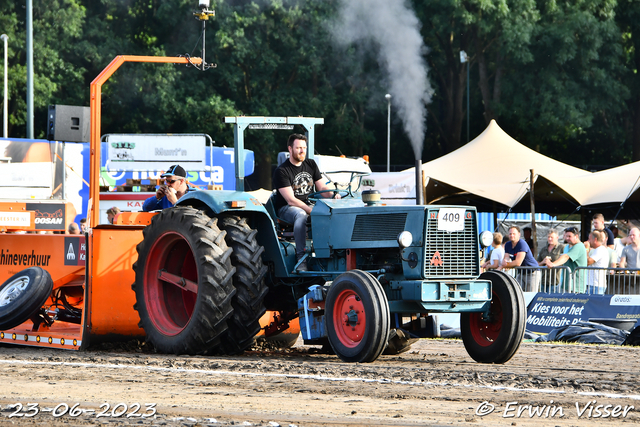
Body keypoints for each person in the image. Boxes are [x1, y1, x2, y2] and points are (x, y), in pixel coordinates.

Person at [272, 134, 340, 271]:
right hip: (287, 208)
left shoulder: (310, 164)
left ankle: (332, 254)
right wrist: (314, 211)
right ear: (290, 149)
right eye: (298, 148)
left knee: (334, 213)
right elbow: (291, 200)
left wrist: (334, 195)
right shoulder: (282, 171)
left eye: (304, 148)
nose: (302, 151)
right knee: (301, 215)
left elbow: (322, 188)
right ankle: (301, 258)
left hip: (308, 204)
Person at [543, 227, 587, 293]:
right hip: (565, 284)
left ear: (576, 236)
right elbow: (563, 261)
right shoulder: (566, 247)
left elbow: (566, 257)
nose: (567, 238)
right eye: (566, 236)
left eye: (569, 236)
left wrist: (553, 264)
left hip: (576, 286)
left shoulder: (579, 246)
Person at [501, 226, 539, 291]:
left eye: (514, 234)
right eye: (510, 234)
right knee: (516, 291)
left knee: (531, 294)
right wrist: (505, 262)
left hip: (532, 273)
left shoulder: (522, 243)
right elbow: (506, 257)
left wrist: (506, 265)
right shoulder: (507, 244)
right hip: (521, 273)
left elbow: (518, 262)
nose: (512, 235)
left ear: (519, 234)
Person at [585, 230, 608, 294]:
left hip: (596, 285)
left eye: (589, 239)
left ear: (595, 239)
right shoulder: (598, 249)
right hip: (594, 284)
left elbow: (588, 262)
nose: (588, 241)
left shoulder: (600, 249)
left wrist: (586, 248)